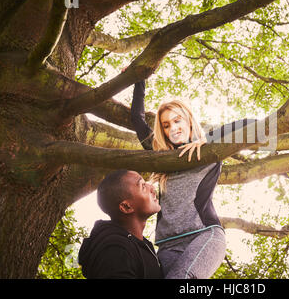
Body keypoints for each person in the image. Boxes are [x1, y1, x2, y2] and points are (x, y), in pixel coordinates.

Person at [130, 79, 257, 279]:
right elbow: (137, 120)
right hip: (168, 245)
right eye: (166, 125)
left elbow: (251, 125)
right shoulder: (160, 157)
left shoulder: (210, 150)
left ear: (188, 120)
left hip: (204, 235)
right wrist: (140, 79)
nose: (173, 127)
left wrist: (210, 138)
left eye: (177, 120)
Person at [78, 169, 163, 279]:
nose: (152, 188)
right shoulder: (114, 250)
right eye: (143, 186)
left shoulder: (142, 244)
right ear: (126, 207)